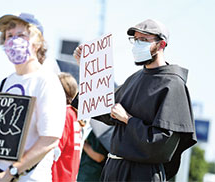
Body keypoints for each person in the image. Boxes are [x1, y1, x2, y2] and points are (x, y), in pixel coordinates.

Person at [73, 19, 197, 181]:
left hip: (142, 174)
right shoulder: (134, 79)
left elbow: (163, 143)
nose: (138, 45)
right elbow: (105, 110)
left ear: (161, 45)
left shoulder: (172, 84)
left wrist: (128, 120)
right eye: (136, 40)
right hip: (114, 169)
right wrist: (87, 69)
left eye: (144, 40)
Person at [0, 13, 66, 182]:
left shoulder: (46, 81)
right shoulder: (5, 83)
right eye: (9, 36)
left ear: (38, 42)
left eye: (21, 35)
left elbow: (50, 139)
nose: (14, 41)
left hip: (26, 177)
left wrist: (10, 173)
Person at [52, 72, 83, 182]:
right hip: (69, 177)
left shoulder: (64, 113)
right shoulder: (74, 114)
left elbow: (54, 150)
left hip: (58, 177)